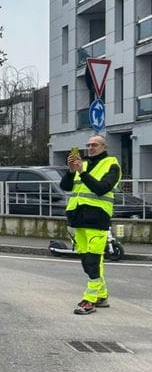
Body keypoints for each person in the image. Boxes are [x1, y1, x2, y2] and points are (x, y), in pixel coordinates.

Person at [61, 135, 120, 315]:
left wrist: (82, 173)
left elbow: (102, 188)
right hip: (78, 219)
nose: (91, 147)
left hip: (96, 219)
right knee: (87, 261)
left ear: (104, 146)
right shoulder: (82, 164)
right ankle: (101, 295)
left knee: (93, 260)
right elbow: (65, 186)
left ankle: (90, 299)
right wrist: (71, 171)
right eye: (88, 145)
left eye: (95, 144)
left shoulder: (112, 165)